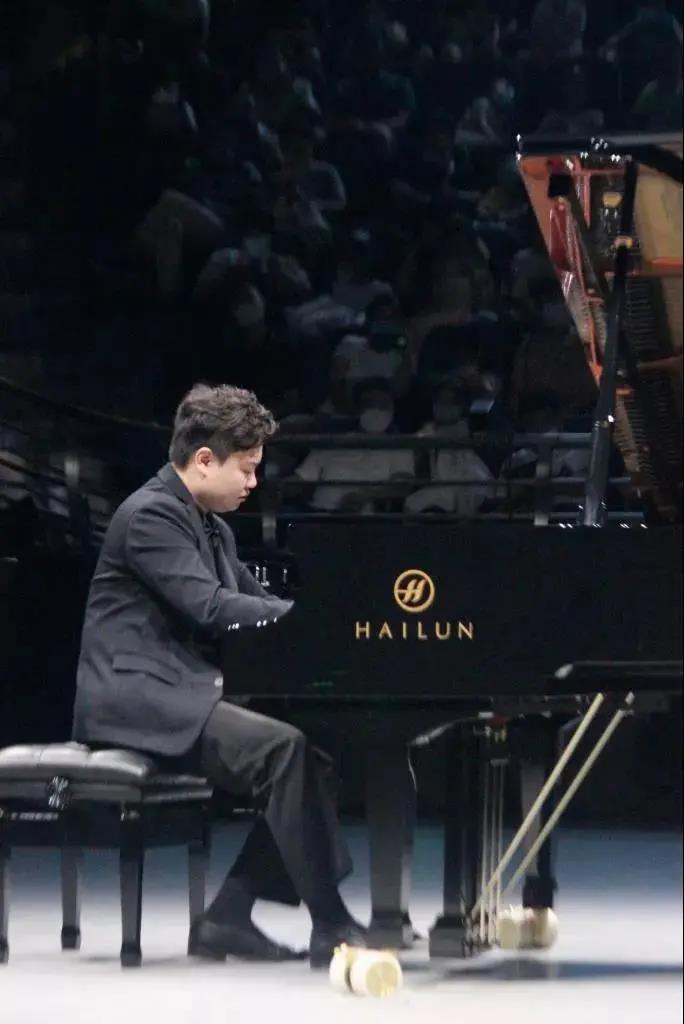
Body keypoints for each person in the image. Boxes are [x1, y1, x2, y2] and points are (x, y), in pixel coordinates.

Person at [71, 383, 364, 966]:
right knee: (284, 750)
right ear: (204, 459)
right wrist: (306, 620)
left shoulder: (212, 527)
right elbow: (210, 607)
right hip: (135, 698)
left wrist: (321, 625)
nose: (254, 483)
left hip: (176, 692)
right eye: (247, 468)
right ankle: (331, 922)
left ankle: (228, 915)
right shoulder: (151, 515)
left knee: (319, 758)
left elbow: (259, 606)